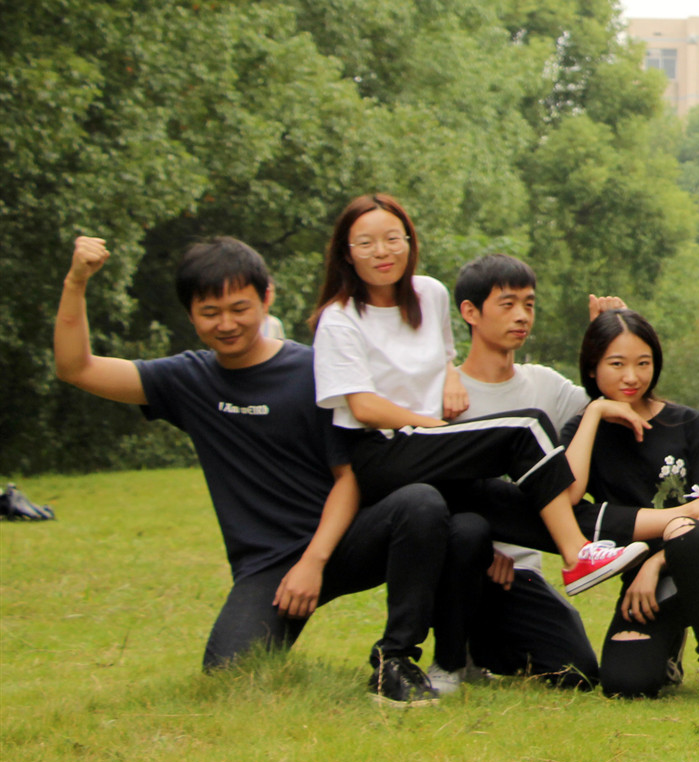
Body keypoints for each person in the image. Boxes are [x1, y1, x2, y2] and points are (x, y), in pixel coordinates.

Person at [53, 234, 487, 705]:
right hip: (268, 565)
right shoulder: (186, 380)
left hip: (343, 542)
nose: (226, 324)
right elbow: (77, 368)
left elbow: (348, 478)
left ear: (267, 298)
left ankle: (396, 660)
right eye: (210, 312)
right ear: (191, 315)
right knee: (228, 675)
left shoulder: (315, 370)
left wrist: (313, 562)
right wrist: (76, 282)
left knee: (420, 503)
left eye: (239, 308)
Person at [308, 193, 647, 597]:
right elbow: (363, 407)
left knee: (515, 501)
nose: (382, 251)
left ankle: (672, 522)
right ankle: (577, 554)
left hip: (425, 449)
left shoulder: (429, 294)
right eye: (366, 243)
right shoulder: (339, 318)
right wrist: (433, 426)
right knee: (526, 427)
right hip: (381, 452)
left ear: (409, 242)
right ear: (347, 254)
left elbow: (442, 357)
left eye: (393, 239)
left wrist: (450, 376)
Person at [565, 307, 699, 706]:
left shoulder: (686, 424)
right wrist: (594, 412)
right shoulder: (584, 430)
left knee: (685, 531)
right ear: (592, 367)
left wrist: (654, 563)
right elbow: (569, 501)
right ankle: (669, 646)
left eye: (643, 363)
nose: (632, 376)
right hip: (646, 591)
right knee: (625, 682)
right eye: (617, 364)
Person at [431, 253, 598, 694]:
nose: (522, 316)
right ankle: (449, 658)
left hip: (520, 572)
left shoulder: (543, 384)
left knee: (578, 671)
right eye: (507, 304)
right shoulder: (444, 394)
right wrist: (483, 549)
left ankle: (484, 648)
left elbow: (611, 402)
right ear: (470, 312)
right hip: (457, 560)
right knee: (465, 533)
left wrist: (606, 339)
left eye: (529, 304)